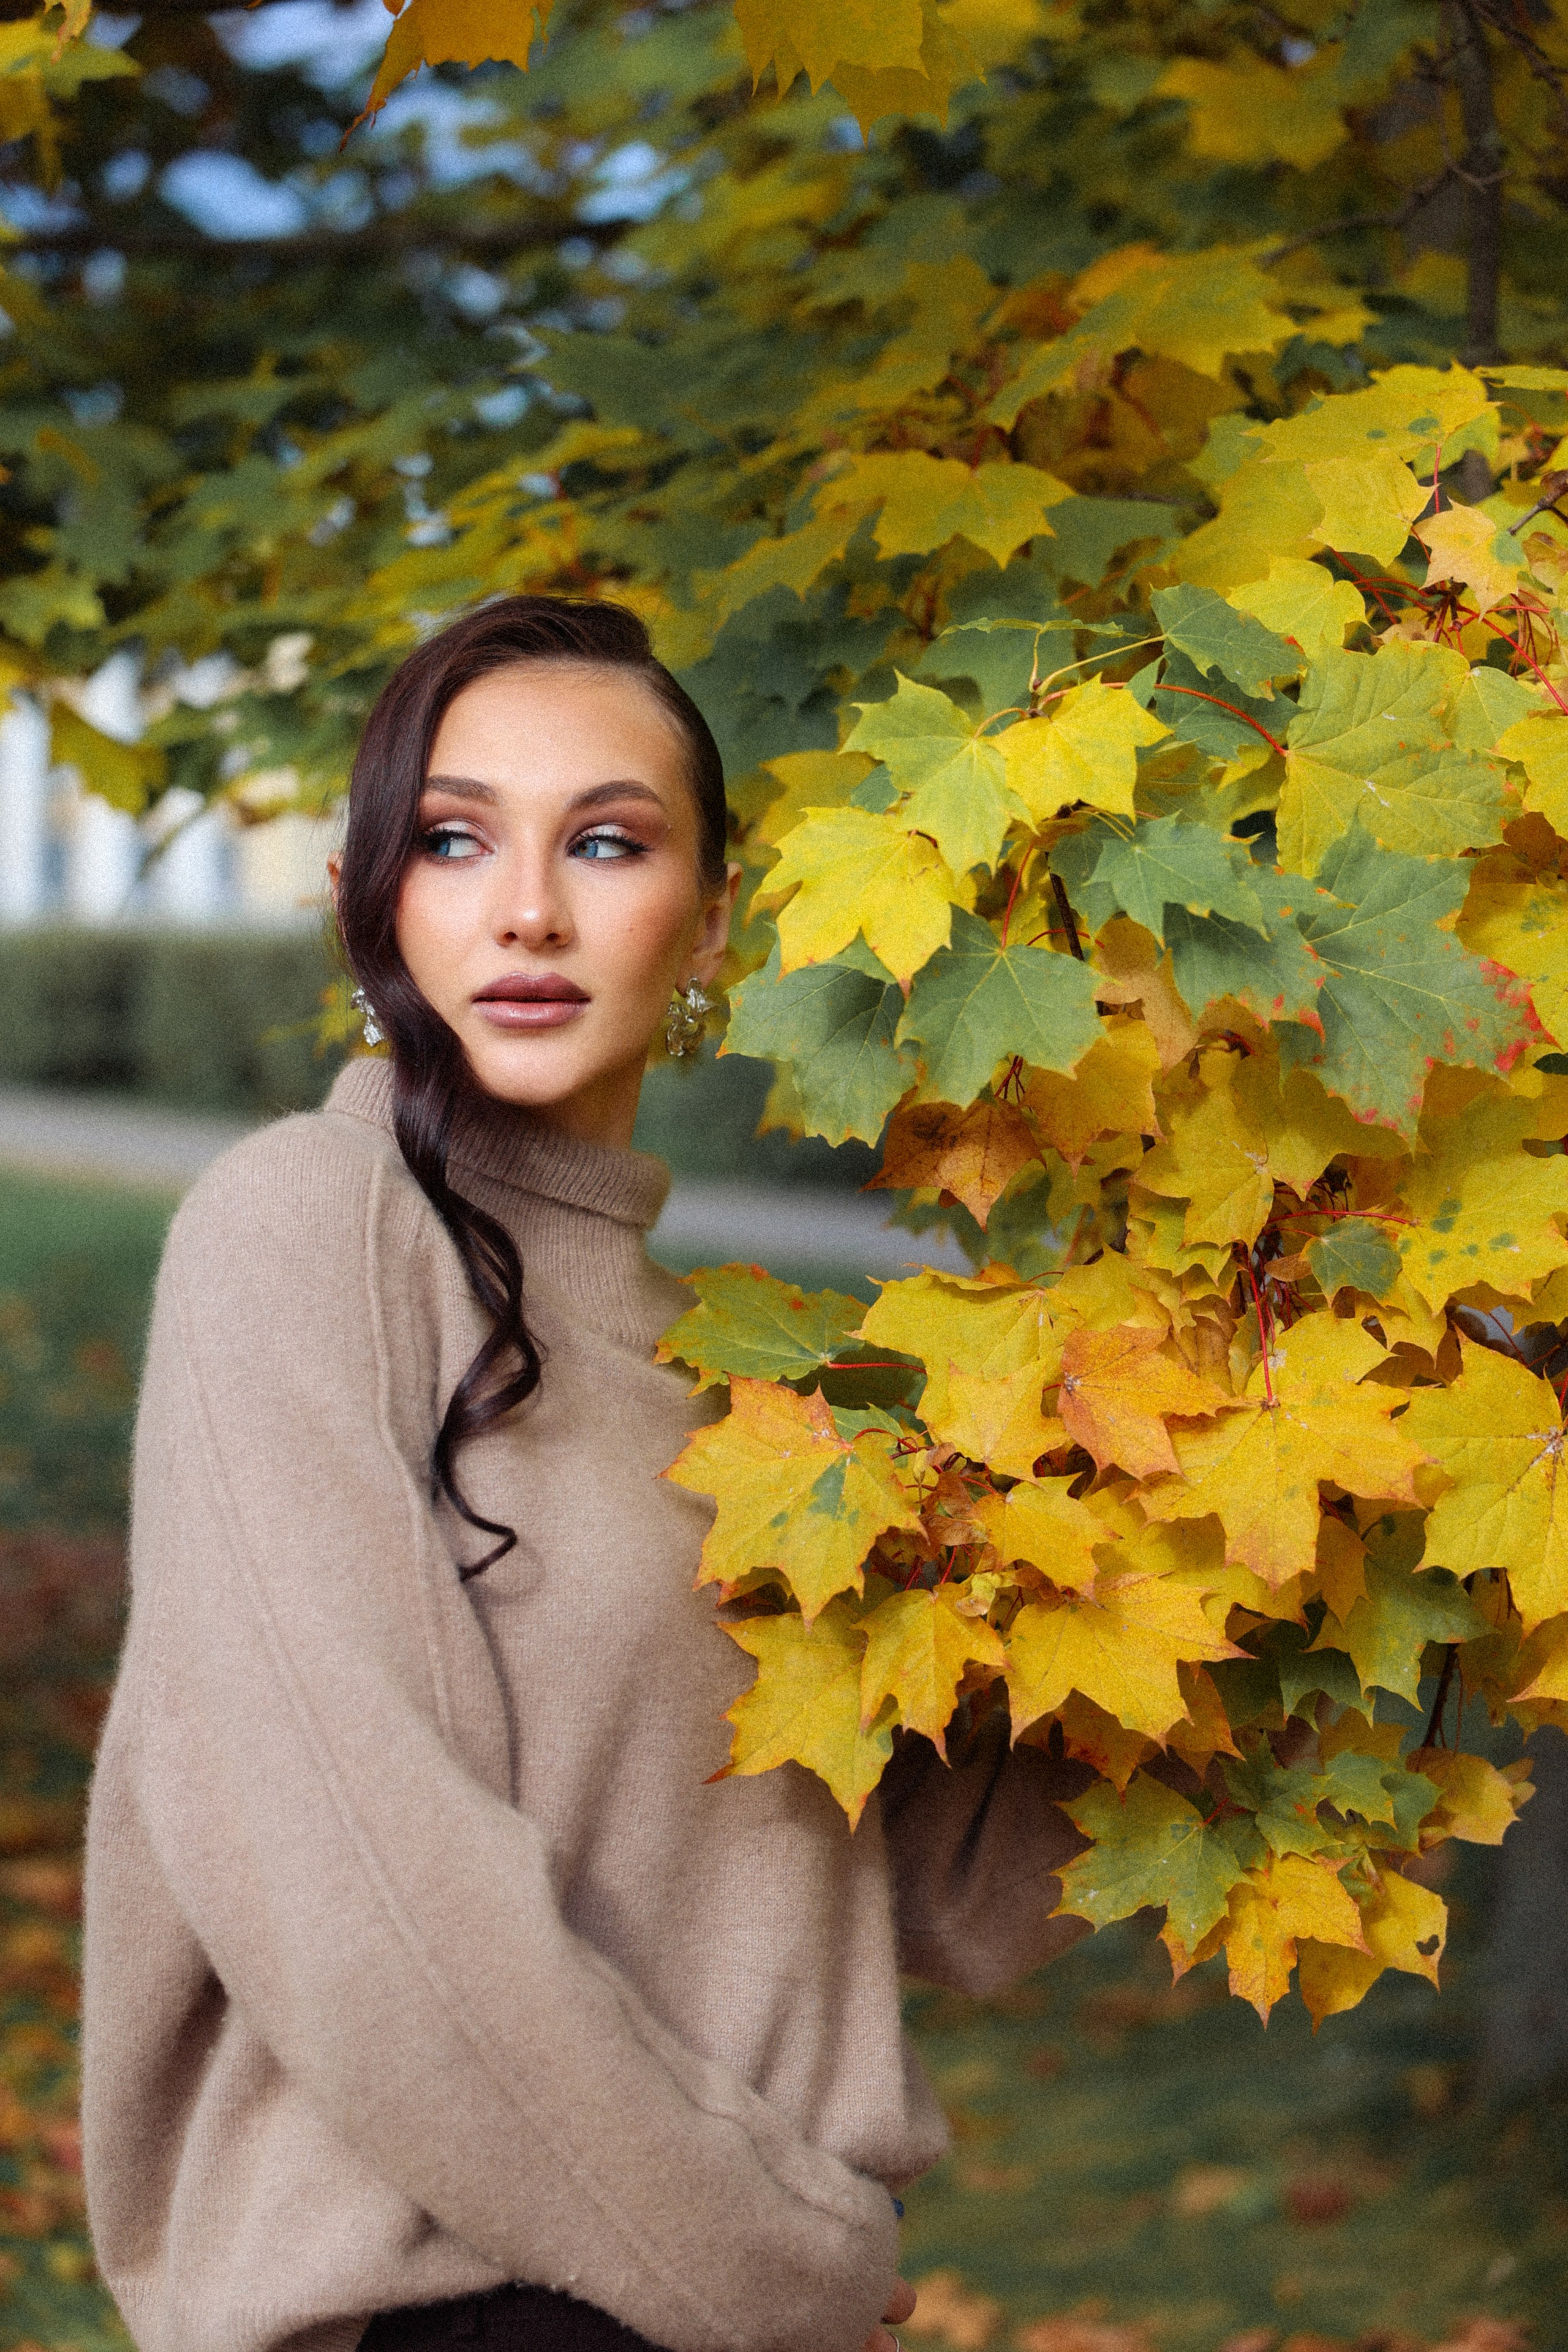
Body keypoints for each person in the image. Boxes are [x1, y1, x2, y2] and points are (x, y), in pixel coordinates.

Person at [81, 595, 1087, 2352]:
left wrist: (1270, 1511)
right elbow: (356, 1894)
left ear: (709, 925)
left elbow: (952, 1897)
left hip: (718, 2300)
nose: (527, 910)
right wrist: (771, 2274)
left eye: (606, 844)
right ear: (365, 897)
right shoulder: (310, 1235)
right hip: (465, 2306)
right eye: (456, 839)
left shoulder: (747, 1387)